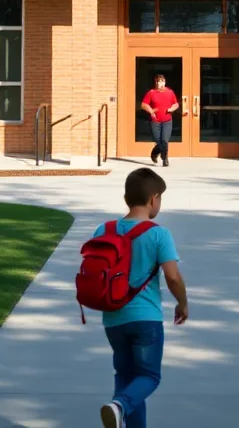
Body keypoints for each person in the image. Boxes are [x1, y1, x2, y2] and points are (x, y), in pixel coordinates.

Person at [97, 167, 188, 428]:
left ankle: (120, 408)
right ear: (153, 199)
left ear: (127, 198)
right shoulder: (158, 234)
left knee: (126, 377)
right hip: (146, 318)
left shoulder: (104, 230)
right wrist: (182, 303)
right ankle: (119, 405)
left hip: (113, 318)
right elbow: (172, 277)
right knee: (148, 376)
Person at [140, 74, 179, 167]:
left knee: (164, 141)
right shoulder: (151, 92)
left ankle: (165, 158)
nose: (159, 83)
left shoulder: (170, 92)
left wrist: (171, 109)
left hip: (167, 121)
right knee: (159, 141)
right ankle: (154, 154)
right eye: (157, 81)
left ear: (164, 82)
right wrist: (150, 110)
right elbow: (144, 104)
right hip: (155, 121)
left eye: (161, 81)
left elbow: (176, 104)